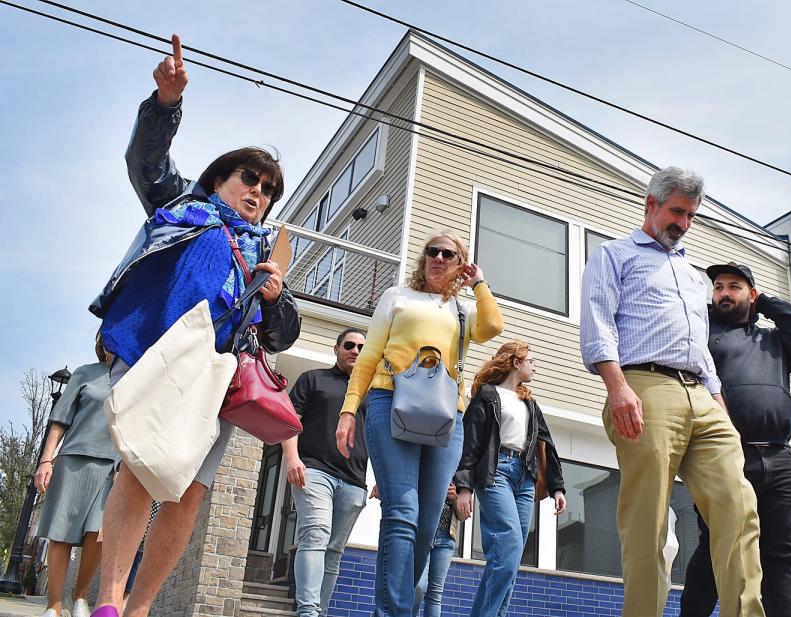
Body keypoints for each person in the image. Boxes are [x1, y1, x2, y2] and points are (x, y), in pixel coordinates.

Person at [88, 35, 300, 617]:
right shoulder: (182, 203)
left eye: (268, 190)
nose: (258, 193)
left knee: (186, 491)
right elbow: (145, 163)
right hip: (157, 351)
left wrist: (276, 298)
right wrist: (164, 103)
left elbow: (283, 334)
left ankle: (141, 608)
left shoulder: (268, 252)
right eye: (248, 179)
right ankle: (109, 601)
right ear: (220, 179)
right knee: (137, 467)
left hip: (216, 373)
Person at [579, 166, 765, 617]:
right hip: (643, 386)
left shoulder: (691, 272)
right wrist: (617, 387)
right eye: (677, 212)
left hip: (702, 395)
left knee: (738, 506)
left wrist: (718, 402)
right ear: (651, 204)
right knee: (649, 523)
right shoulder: (614, 255)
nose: (682, 223)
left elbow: (699, 347)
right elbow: (598, 323)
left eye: (690, 216)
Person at [336, 230, 503, 616]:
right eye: (432, 252)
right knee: (402, 512)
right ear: (423, 257)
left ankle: (395, 608)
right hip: (389, 399)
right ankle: (393, 612)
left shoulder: (463, 311)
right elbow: (369, 356)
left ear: (459, 264)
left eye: (449, 254)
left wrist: (478, 283)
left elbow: (493, 327)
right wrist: (349, 410)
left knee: (428, 523)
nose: (439, 258)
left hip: (447, 413)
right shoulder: (397, 297)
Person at [680, 263, 791, 617]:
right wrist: (716, 306)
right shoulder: (706, 333)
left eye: (734, 286)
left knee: (781, 556)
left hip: (780, 456)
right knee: (716, 545)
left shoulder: (777, 342)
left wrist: (765, 304)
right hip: (726, 453)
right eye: (718, 287)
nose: (724, 292)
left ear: (752, 295)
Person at [455, 341, 566, 617]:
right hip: (497, 473)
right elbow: (470, 442)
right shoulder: (488, 395)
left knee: (510, 557)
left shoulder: (528, 401)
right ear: (516, 362)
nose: (535, 367)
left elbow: (546, 443)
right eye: (532, 361)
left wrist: (557, 487)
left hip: (525, 480)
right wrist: (465, 486)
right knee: (510, 543)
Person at [283, 327, 369, 617]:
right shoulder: (313, 379)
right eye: (349, 344)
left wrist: (380, 480)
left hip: (354, 482)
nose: (355, 351)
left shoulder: (371, 394)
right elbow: (290, 421)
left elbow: (381, 440)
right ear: (336, 348)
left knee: (333, 552)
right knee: (316, 536)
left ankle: (319, 611)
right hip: (315, 471)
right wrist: (292, 458)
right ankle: (307, 611)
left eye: (361, 347)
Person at [33, 335, 116, 617]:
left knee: (98, 534)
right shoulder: (84, 373)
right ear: (101, 344)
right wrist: (46, 459)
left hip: (113, 466)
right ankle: (53, 606)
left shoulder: (135, 376)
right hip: (73, 460)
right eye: (106, 338)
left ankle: (79, 597)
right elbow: (60, 419)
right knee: (61, 532)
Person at [411, 482, 461, 617]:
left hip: (446, 538)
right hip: (423, 532)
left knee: (435, 593)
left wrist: (455, 497)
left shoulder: (461, 476)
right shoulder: (429, 463)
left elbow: (463, 515)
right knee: (418, 586)